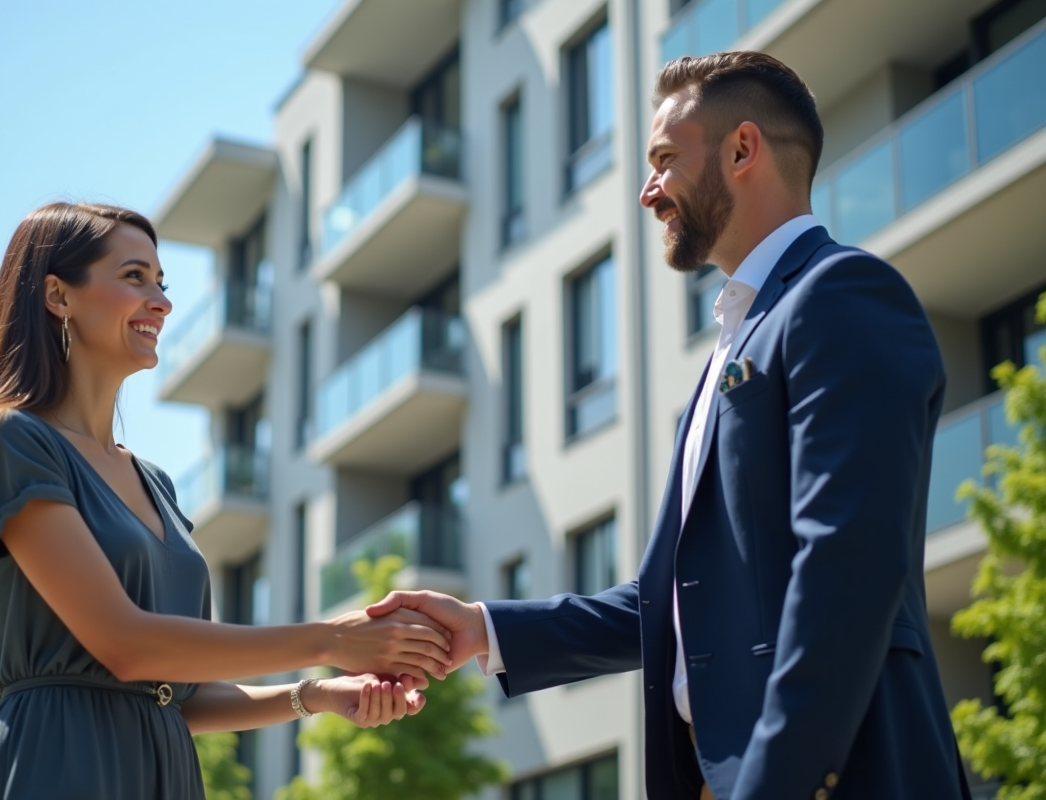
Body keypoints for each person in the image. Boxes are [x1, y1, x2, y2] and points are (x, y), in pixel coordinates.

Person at [367, 52, 972, 800]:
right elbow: (680, 598)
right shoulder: (729, 346)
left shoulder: (843, 296)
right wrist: (485, 630)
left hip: (835, 775)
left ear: (743, 150)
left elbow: (848, 564)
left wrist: (772, 783)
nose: (649, 192)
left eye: (663, 161)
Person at [0, 202, 453, 800]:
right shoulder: (9, 439)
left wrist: (316, 694)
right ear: (58, 296)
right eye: (134, 277)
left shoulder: (157, 484)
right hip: (56, 763)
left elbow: (178, 693)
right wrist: (330, 639)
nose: (163, 302)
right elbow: (125, 646)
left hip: (166, 773)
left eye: (161, 282)